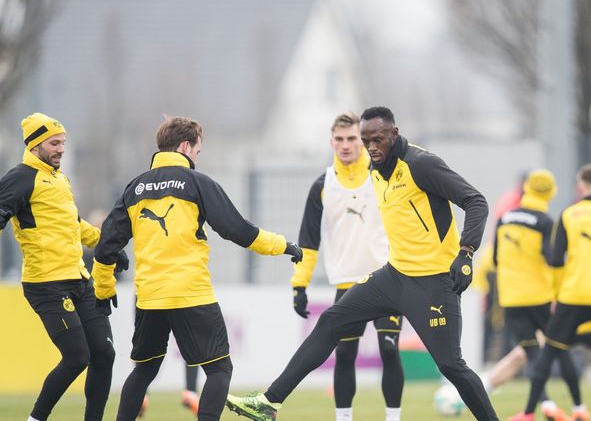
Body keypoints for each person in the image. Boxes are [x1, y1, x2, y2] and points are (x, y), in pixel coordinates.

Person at [226, 106, 499, 421]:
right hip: (394, 276)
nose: (372, 147)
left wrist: (466, 252)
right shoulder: (374, 168)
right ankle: (268, 403)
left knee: (451, 365)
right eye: (366, 141)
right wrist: (300, 280)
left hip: (434, 284)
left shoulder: (422, 165)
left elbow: (475, 200)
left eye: (378, 139)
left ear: (394, 134)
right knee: (330, 322)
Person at [90, 116, 303, 421]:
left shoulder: (135, 188)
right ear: (186, 146)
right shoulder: (196, 183)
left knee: (144, 370)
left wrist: (103, 291)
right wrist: (284, 245)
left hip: (149, 297)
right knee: (219, 369)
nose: (197, 158)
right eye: (198, 152)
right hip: (191, 293)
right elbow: (238, 230)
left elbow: (107, 244)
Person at [0, 113, 128, 421]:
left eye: (63, 143)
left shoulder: (60, 179)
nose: (61, 149)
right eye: (54, 143)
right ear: (35, 145)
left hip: (79, 279)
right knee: (77, 358)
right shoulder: (20, 178)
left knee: (105, 353)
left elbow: (73, 225)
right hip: (46, 283)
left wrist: (108, 247)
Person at [290, 111, 403, 421]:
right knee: (344, 355)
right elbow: (308, 241)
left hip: (387, 281)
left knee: (390, 350)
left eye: (352, 138)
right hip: (346, 285)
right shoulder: (322, 185)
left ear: (362, 140)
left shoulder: (383, 174)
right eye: (339, 139)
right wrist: (299, 285)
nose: (345, 145)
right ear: (331, 142)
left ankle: (393, 418)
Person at [513, 164, 591, 421]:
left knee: (549, 354)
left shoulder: (568, 214)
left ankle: (529, 413)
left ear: (580, 188)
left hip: (572, 296)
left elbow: (555, 259)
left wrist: (555, 294)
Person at [493, 170, 579, 421]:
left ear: (526, 189)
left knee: (531, 353)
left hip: (510, 297)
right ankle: (578, 407)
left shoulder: (504, 217)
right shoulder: (545, 222)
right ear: (551, 193)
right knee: (559, 348)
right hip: (539, 297)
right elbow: (553, 259)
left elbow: (497, 258)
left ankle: (546, 403)